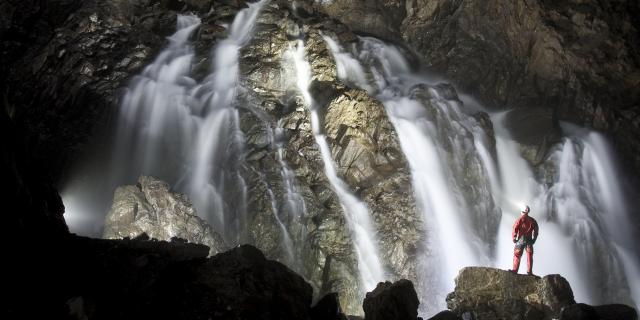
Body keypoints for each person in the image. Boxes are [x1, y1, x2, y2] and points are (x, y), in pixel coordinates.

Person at [510, 205, 539, 275]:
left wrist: (514, 238)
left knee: (517, 255)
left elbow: (515, 229)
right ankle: (529, 272)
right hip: (529, 240)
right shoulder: (532, 220)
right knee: (529, 255)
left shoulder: (519, 219)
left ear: (522, 211)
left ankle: (514, 270)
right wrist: (534, 239)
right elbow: (536, 230)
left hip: (521, 240)